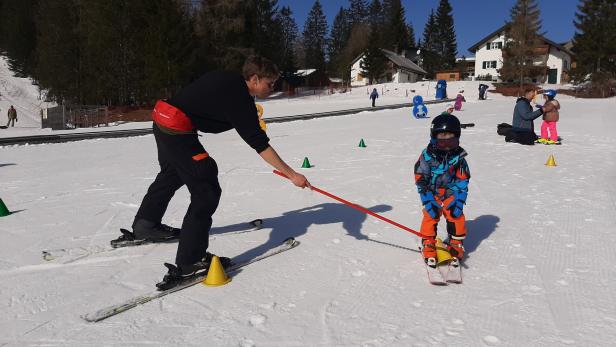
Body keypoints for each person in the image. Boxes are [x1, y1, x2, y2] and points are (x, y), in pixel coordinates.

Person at [124, 55, 311, 290]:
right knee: (206, 187)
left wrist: (245, 117)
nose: (272, 88)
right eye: (269, 83)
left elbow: (207, 111)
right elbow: (259, 143)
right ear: (254, 79)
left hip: (163, 118)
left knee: (173, 173)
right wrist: (292, 174)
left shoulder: (228, 81)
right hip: (176, 128)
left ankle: (145, 225)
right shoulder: (240, 99)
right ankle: (190, 262)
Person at [414, 113, 470, 268]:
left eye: (450, 136)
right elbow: (420, 178)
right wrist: (427, 199)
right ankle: (428, 241)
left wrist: (459, 199)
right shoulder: (427, 157)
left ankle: (456, 243)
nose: (446, 141)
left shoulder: (459, 158)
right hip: (432, 192)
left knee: (456, 216)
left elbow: (463, 179)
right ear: (434, 136)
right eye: (442, 136)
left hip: (451, 192)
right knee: (431, 215)